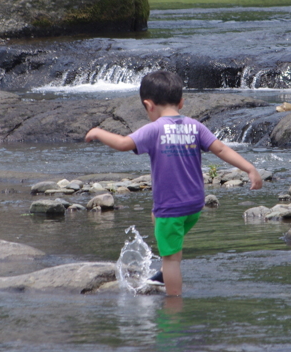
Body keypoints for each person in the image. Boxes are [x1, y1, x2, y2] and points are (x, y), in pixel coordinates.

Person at [85, 70, 263, 296]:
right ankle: (163, 274)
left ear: (148, 105)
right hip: (195, 205)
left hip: (172, 208)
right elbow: (222, 149)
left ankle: (174, 301)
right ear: (181, 102)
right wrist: (250, 169)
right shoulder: (195, 126)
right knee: (162, 225)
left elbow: (122, 143)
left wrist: (98, 132)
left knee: (172, 260)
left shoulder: (154, 129)